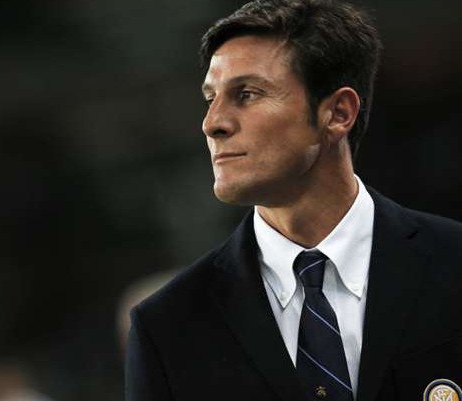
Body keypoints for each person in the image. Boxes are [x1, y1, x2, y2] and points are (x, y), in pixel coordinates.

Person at [125, 1, 462, 400]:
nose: (212, 123)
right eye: (210, 98)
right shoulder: (166, 327)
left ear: (338, 113)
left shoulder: (452, 263)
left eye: (246, 94)